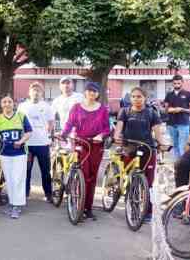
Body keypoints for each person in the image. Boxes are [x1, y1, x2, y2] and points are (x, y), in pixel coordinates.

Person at [113, 86, 164, 223]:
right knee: (129, 178)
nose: (136, 99)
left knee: (148, 183)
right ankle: (132, 205)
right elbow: (119, 127)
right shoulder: (125, 111)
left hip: (148, 149)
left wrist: (161, 144)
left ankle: (147, 212)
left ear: (145, 98)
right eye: (133, 96)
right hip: (129, 148)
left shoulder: (151, 113)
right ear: (130, 98)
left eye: (139, 96)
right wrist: (117, 137)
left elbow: (157, 131)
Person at [61, 82, 111, 221]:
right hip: (80, 143)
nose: (92, 93)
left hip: (96, 145)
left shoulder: (103, 110)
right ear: (85, 92)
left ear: (98, 94)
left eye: (94, 91)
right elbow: (69, 123)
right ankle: (79, 206)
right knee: (83, 173)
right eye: (89, 91)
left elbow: (107, 128)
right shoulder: (76, 107)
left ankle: (88, 208)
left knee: (92, 177)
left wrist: (101, 135)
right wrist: (64, 134)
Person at [0, 96, 32, 219]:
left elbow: (29, 132)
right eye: (4, 102)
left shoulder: (21, 116)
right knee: (9, 180)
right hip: (4, 153)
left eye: (9, 102)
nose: (7, 104)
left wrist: (21, 141)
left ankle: (17, 206)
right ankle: (12, 204)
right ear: (1, 104)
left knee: (18, 179)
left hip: (19, 153)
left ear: (13, 104)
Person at [17, 82, 55, 203]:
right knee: (26, 170)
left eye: (38, 90)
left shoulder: (47, 106)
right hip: (27, 144)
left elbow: (51, 123)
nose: (36, 92)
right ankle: (25, 193)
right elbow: (18, 122)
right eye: (34, 90)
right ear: (29, 92)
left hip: (43, 144)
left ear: (41, 92)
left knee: (45, 171)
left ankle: (48, 194)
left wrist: (47, 135)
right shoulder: (23, 106)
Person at [164, 74, 190, 158]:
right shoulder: (169, 94)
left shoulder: (188, 94)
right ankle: (177, 166)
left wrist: (182, 109)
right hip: (171, 123)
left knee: (183, 146)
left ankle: (184, 165)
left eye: (178, 83)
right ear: (172, 83)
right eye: (174, 83)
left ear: (182, 83)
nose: (176, 85)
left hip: (183, 123)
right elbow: (165, 109)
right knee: (175, 145)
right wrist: (170, 110)